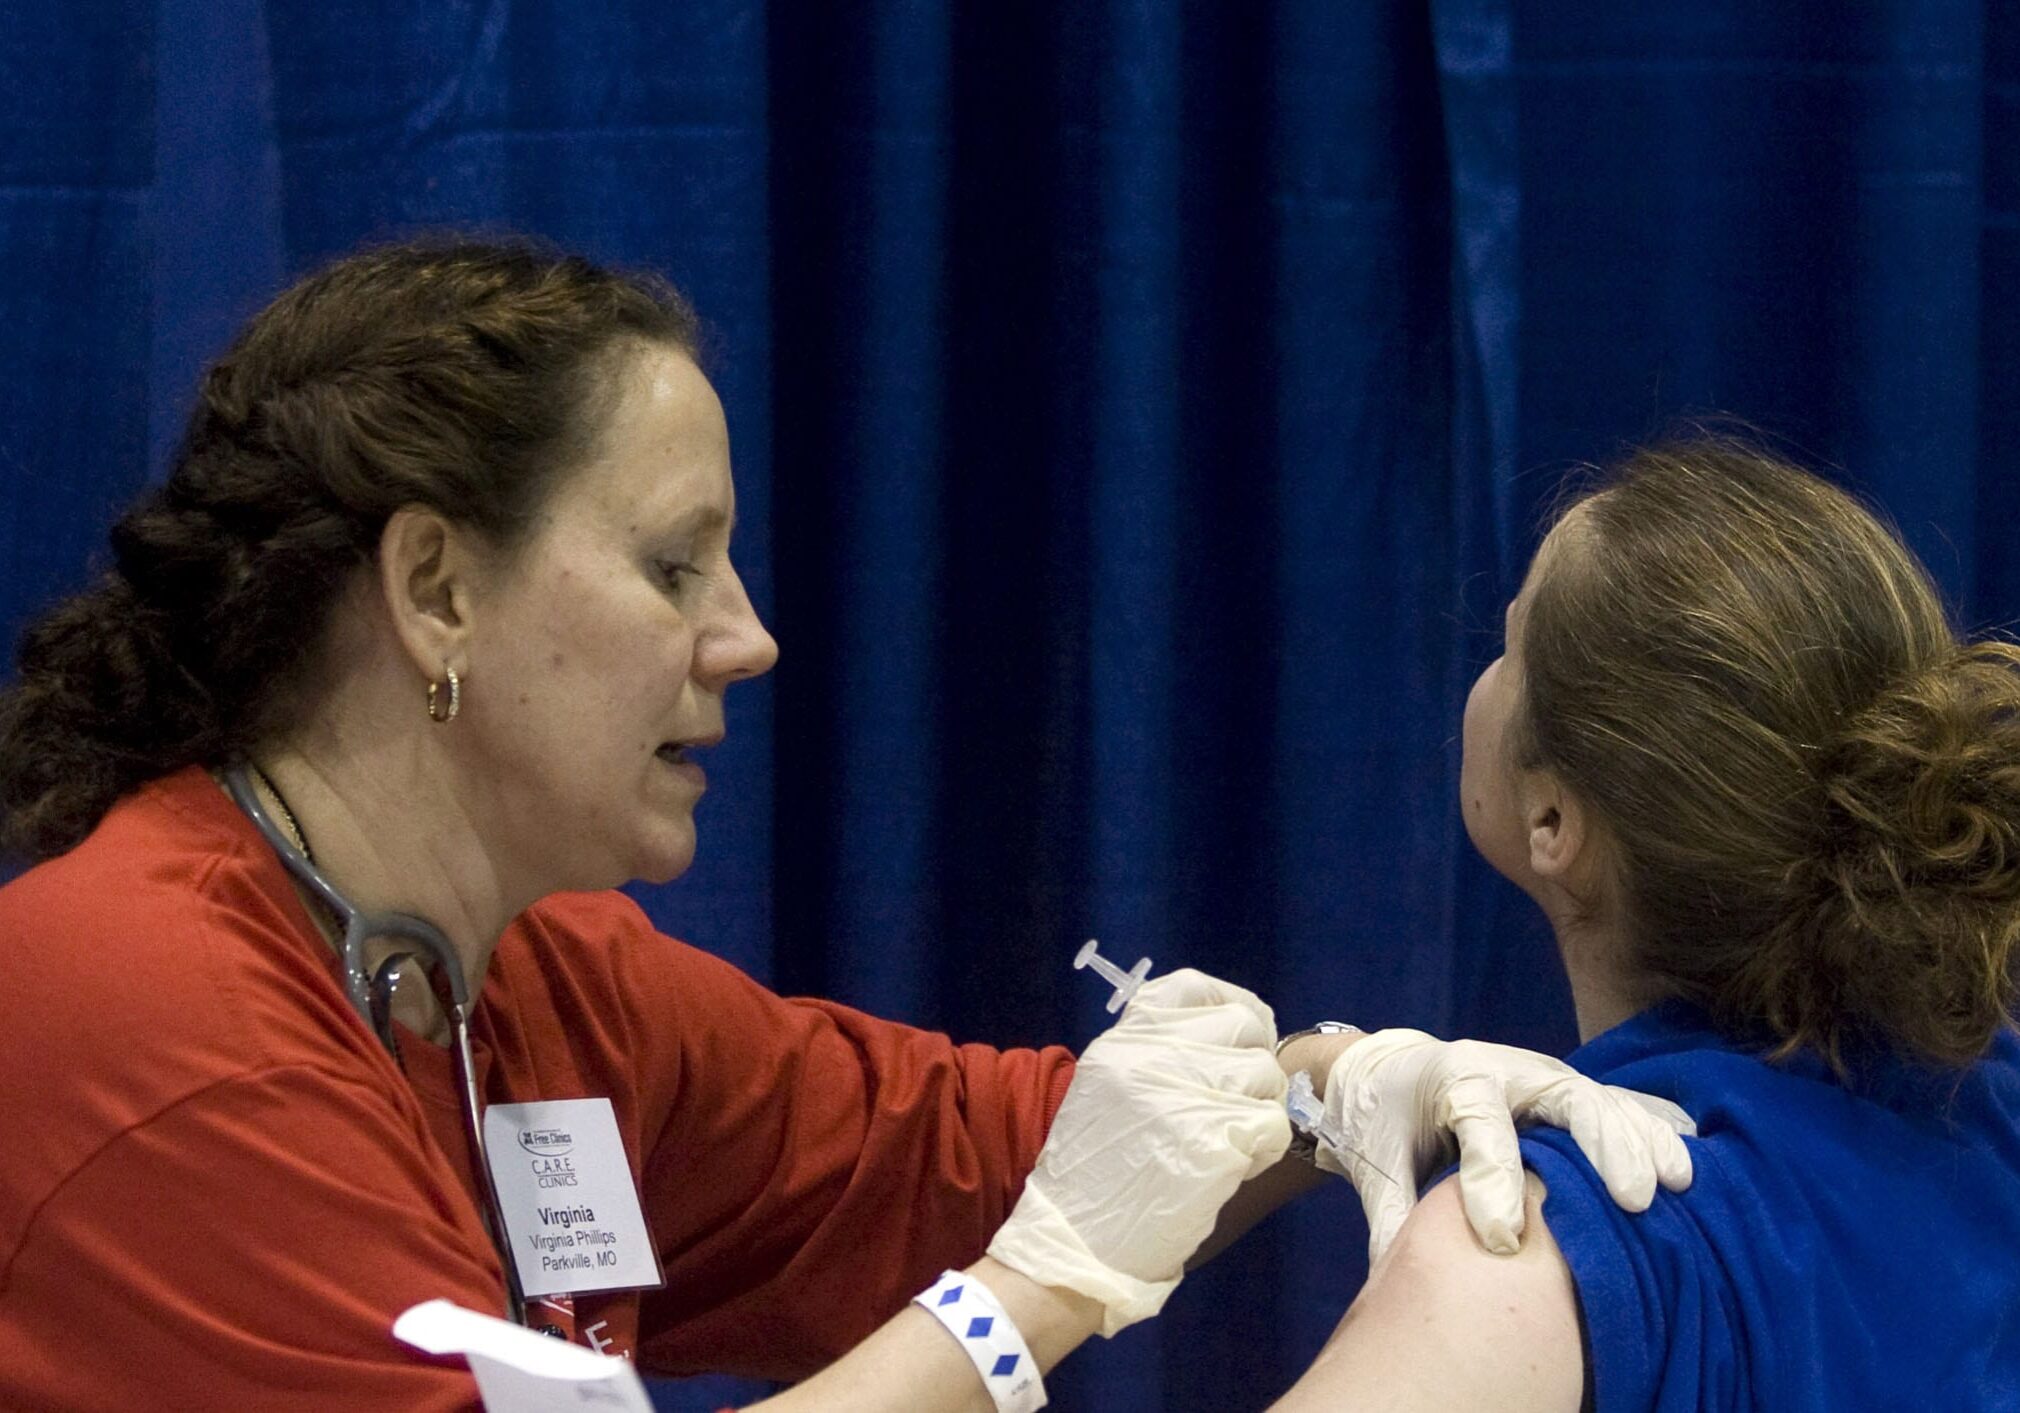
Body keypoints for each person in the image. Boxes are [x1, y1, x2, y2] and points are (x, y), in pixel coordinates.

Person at [0, 238, 1687, 1412]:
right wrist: (1031, 1296)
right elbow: (1034, 1225)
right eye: (672, 565)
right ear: (436, 586)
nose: (745, 635)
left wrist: (1326, 1089)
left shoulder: (537, 978)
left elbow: (935, 1152)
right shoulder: (152, 1027)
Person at [1268, 440, 2020, 1411]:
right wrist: (1321, 1076)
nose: (1489, 674)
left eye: (1509, 649)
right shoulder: (1991, 1097)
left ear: (1551, 821)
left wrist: (1021, 1306)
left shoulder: (1513, 1261)